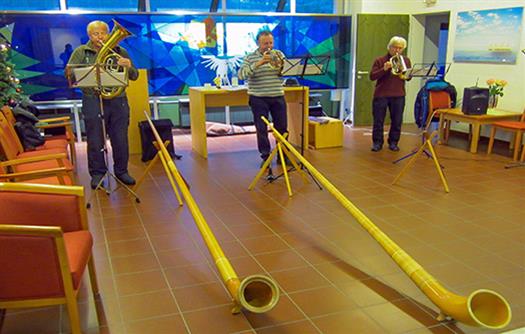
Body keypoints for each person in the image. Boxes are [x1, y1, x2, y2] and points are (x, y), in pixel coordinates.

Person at [67, 20, 138, 189]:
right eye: (95, 33)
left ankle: (121, 171)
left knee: (120, 138)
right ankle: (98, 173)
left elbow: (134, 76)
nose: (99, 36)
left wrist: (128, 66)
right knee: (95, 139)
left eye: (103, 33)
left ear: (108, 34)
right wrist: (82, 71)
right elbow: (70, 74)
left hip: (117, 101)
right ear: (89, 36)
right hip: (92, 99)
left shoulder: (121, 51)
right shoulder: (80, 52)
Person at [238, 30, 287, 166]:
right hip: (258, 97)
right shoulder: (250, 57)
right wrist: (259, 63)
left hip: (277, 95)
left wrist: (282, 67)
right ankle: (265, 157)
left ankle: (283, 155)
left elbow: (286, 71)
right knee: (261, 129)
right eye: (265, 43)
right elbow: (241, 74)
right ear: (258, 43)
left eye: (271, 42)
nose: (268, 46)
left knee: (282, 128)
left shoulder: (279, 54)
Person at [369, 36, 412, 152]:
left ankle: (393, 142)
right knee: (378, 120)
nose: (397, 50)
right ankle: (377, 143)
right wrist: (384, 69)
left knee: (397, 120)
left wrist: (407, 74)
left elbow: (407, 78)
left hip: (398, 94)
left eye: (400, 48)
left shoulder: (406, 60)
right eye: (395, 47)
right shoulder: (380, 60)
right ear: (389, 47)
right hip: (381, 94)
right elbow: (372, 76)